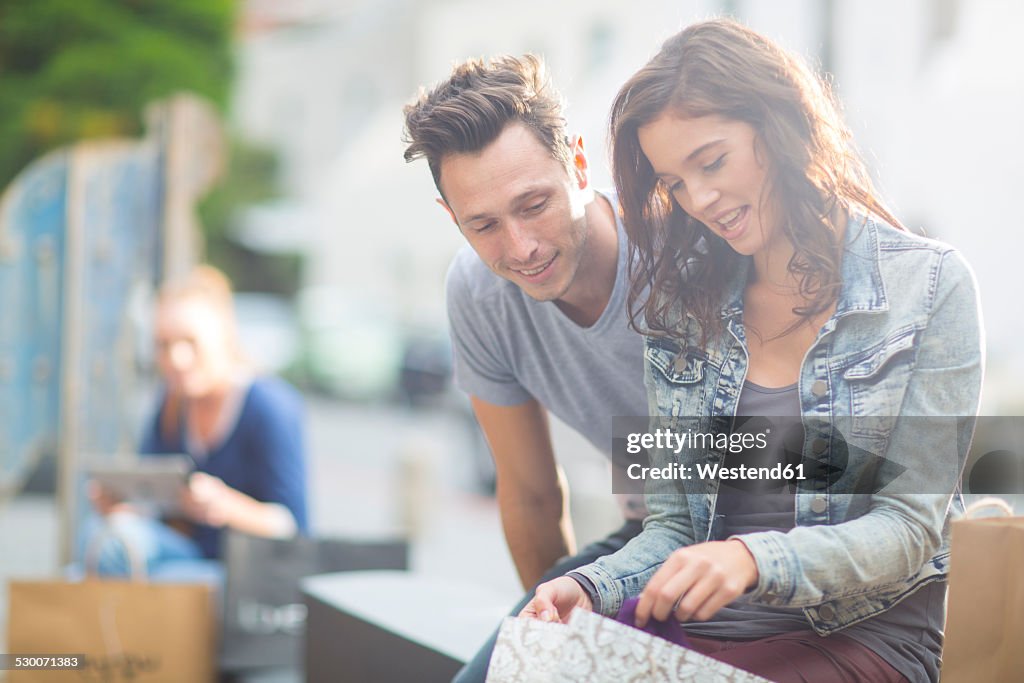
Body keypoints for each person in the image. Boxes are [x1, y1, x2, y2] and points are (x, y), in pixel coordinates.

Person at [522, 19, 984, 683]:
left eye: (712, 162)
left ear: (780, 125)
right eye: (675, 182)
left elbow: (909, 529)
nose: (700, 199)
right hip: (698, 638)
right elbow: (676, 525)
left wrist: (752, 558)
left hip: (863, 638)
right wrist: (592, 584)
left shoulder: (930, 287)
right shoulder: (686, 304)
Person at [402, 55, 649, 681]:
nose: (520, 249)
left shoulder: (677, 247)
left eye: (533, 204)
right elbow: (530, 494)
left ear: (581, 165)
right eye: (482, 225)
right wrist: (559, 641)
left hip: (776, 530)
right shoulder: (478, 294)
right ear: (450, 218)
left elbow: (808, 452)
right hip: (643, 539)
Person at [86, 265, 309, 580]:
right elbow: (156, 505)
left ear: (224, 335)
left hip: (245, 573)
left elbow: (292, 528)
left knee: (163, 576)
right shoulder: (171, 403)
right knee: (101, 537)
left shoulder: (270, 407)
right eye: (163, 345)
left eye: (190, 342)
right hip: (183, 553)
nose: (176, 359)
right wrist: (125, 504)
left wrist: (226, 506)